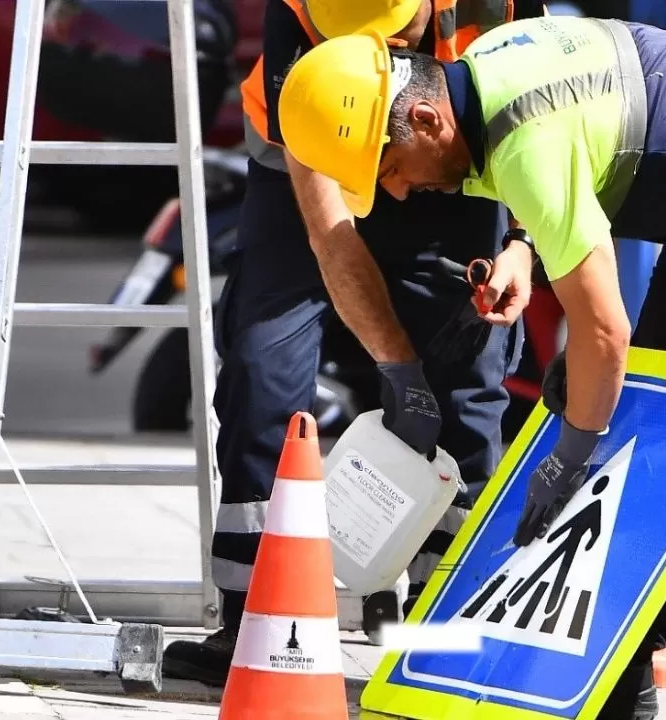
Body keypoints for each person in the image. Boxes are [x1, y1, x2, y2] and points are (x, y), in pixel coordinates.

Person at [276, 14, 666, 719]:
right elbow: (574, 148)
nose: (401, 192)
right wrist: (527, 250)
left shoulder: (525, 148)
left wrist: (567, 459)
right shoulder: (487, 63)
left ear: (430, 117)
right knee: (647, 423)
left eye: (391, 168)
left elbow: (604, 330)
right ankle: (627, 668)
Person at [160, 0, 548, 687]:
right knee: (263, 369)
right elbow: (330, 233)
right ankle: (254, 622)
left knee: (470, 380)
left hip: (450, 154)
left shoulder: (499, 8)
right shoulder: (298, 18)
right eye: (359, 46)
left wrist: (522, 242)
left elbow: (536, 121)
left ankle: (441, 635)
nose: (384, 58)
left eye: (396, 42)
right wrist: (397, 366)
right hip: (311, 170)